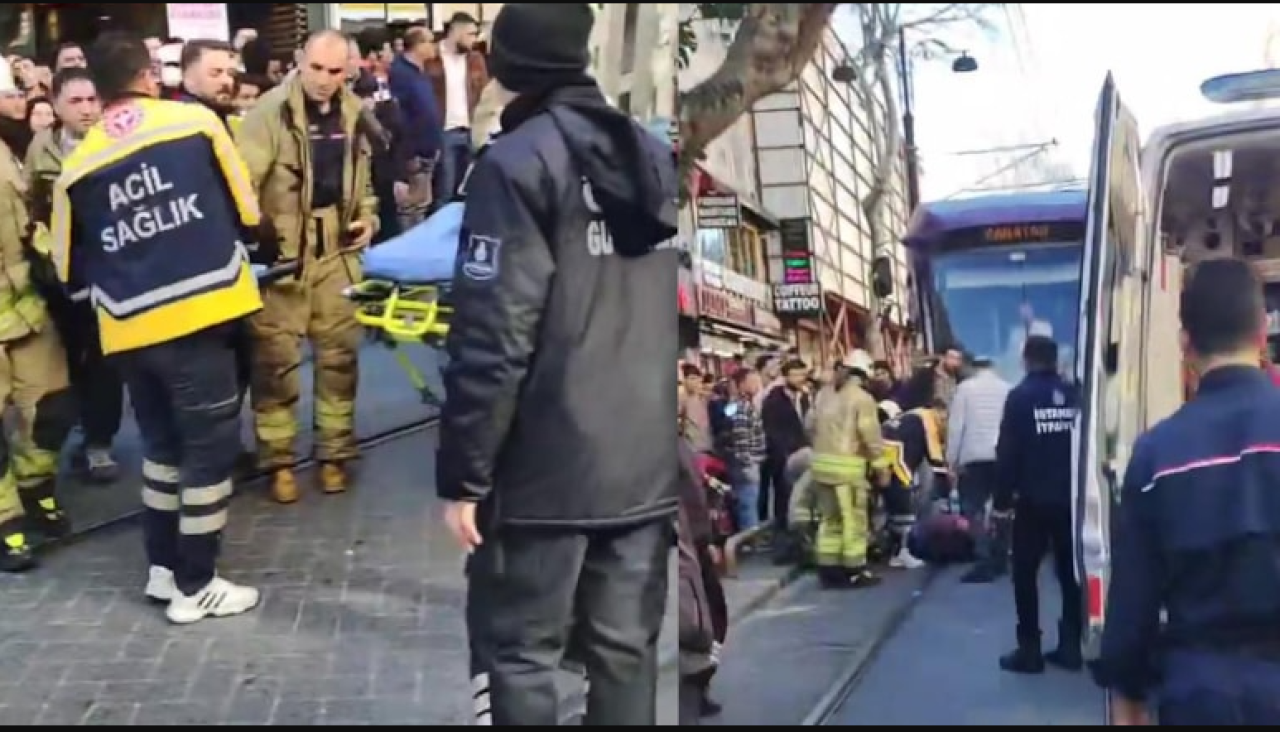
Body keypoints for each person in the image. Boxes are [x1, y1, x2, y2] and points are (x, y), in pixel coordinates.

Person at [434, 5, 678, 726]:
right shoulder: (649, 157)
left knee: (520, 654)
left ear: (509, 67)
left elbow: (493, 335)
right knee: (626, 653)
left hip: (544, 468)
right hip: (642, 461)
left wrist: (464, 477)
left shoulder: (513, 165)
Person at [50, 33, 267, 623]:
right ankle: (197, 584)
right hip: (201, 314)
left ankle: (164, 569)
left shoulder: (76, 164)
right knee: (210, 452)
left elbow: (68, 269)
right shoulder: (192, 123)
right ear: (148, 74)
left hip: (126, 330)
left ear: (94, 87)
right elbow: (248, 213)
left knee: (162, 450)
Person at [1093, 259, 1280, 725]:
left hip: (1198, 695)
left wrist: (1127, 700)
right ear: (1262, 331)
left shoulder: (1157, 454)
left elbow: (1132, 609)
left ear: (1185, 345)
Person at [237, 30, 379, 503]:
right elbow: (241, 187)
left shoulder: (356, 113)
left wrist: (368, 218)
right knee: (276, 366)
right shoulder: (266, 115)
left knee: (340, 359)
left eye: (335, 71)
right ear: (300, 60)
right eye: (316, 68)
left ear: (349, 71)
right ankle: (278, 462)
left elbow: (367, 185)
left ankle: (334, 454)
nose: (324, 79)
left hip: (337, 253)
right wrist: (259, 239)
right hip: (282, 258)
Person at [25, 67, 122, 484]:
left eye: (91, 100)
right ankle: (66, 436)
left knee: (106, 360)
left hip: (108, 264)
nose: (86, 110)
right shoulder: (39, 152)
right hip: (60, 272)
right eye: (75, 101)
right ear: (57, 106)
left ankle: (99, 442)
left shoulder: (116, 143)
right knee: (67, 361)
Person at [993, 335, 1081, 674]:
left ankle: (1029, 648)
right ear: (1055, 359)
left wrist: (1001, 502)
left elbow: (1008, 454)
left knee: (1025, 574)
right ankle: (1071, 644)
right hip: (1070, 498)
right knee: (1069, 573)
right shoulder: (1074, 394)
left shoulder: (1019, 398)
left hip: (1032, 501)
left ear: (1026, 359)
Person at [808, 349, 889, 589]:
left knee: (829, 520)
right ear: (864, 375)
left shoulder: (823, 395)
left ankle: (828, 569)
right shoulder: (862, 398)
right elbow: (871, 437)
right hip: (848, 470)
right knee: (853, 521)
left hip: (821, 468)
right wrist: (881, 466)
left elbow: (809, 426)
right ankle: (855, 570)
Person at [945, 356, 1012, 584]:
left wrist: (951, 460)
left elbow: (955, 426)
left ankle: (984, 561)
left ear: (974, 367)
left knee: (973, 510)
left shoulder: (964, 389)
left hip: (973, 456)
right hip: (1002, 456)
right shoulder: (1007, 388)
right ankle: (1001, 557)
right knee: (1002, 509)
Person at [879, 399, 949, 569]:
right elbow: (934, 455)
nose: (945, 423)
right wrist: (945, 480)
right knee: (905, 505)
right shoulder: (927, 419)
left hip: (882, 456)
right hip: (895, 459)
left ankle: (894, 552)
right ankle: (902, 552)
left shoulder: (911, 415)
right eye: (945, 418)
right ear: (937, 411)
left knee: (894, 507)